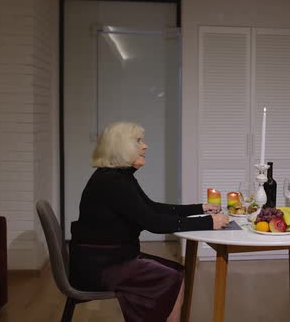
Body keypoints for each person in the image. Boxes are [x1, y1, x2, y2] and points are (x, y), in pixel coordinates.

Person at [69, 121, 229, 322]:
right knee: (173, 277)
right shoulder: (113, 182)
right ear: (121, 147)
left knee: (177, 272)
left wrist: (199, 209)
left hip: (106, 260)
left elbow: (151, 208)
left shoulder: (118, 177)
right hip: (101, 268)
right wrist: (208, 222)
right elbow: (154, 223)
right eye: (138, 141)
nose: (145, 146)